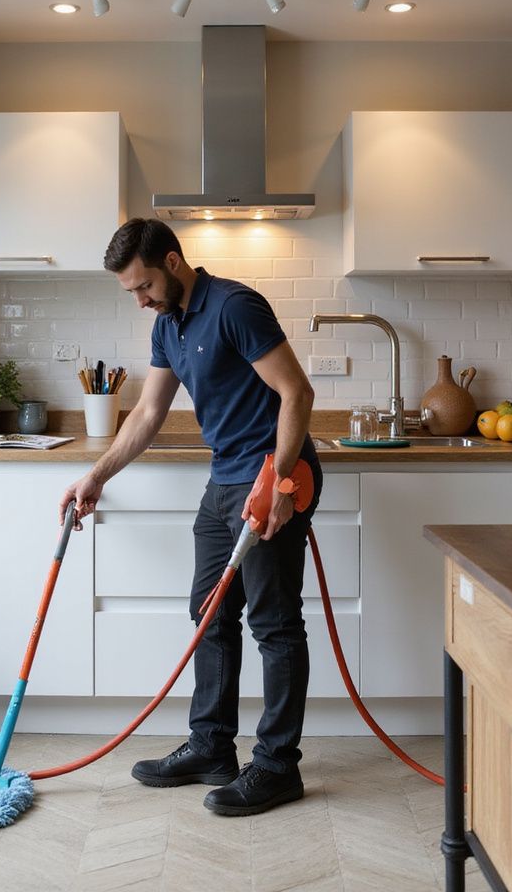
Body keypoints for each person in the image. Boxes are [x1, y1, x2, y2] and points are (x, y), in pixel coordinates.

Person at [59, 218, 322, 817]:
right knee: (210, 614)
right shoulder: (168, 325)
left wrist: (280, 484)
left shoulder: (234, 307)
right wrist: (95, 476)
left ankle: (278, 768)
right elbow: (148, 413)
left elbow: (297, 393)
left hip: (271, 480)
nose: (140, 298)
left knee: (275, 626)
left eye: (143, 285)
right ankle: (211, 748)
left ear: (173, 263)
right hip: (224, 481)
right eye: (130, 291)